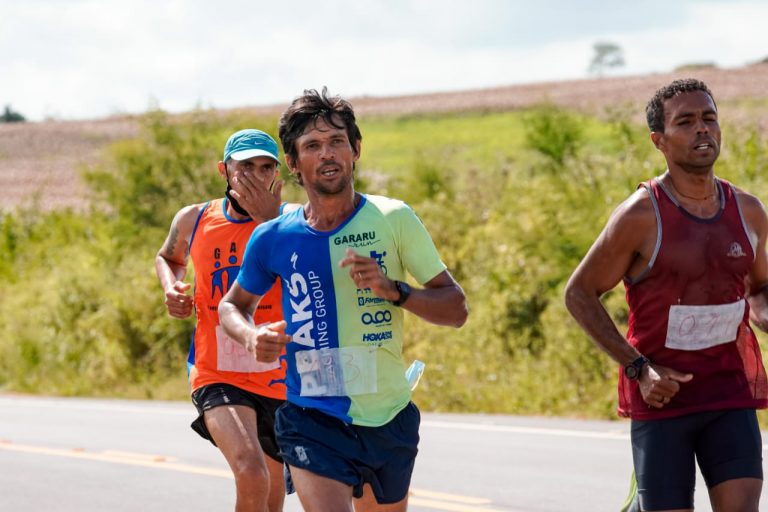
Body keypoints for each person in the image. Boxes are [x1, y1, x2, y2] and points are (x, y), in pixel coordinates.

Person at [218, 88, 468, 512]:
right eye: (312, 146)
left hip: (388, 415)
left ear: (356, 149)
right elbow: (232, 305)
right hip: (310, 414)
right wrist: (251, 335)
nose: (327, 153)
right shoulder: (274, 236)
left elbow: (456, 309)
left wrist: (396, 291)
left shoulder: (393, 219)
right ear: (293, 162)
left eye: (336, 141)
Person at [565, 78, 768, 512]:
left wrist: (764, 312)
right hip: (661, 399)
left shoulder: (749, 211)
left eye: (709, 118)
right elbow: (579, 294)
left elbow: (760, 288)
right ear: (659, 140)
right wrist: (639, 369)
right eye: (686, 121)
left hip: (728, 394)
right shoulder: (640, 215)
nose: (702, 129)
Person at [155, 129, 294, 512]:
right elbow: (169, 257)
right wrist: (171, 287)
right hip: (216, 371)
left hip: (278, 376)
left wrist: (269, 221)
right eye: (245, 166)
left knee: (270, 499)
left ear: (277, 173)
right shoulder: (194, 218)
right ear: (224, 170)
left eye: (265, 167)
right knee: (251, 473)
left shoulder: (294, 220)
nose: (256, 176)